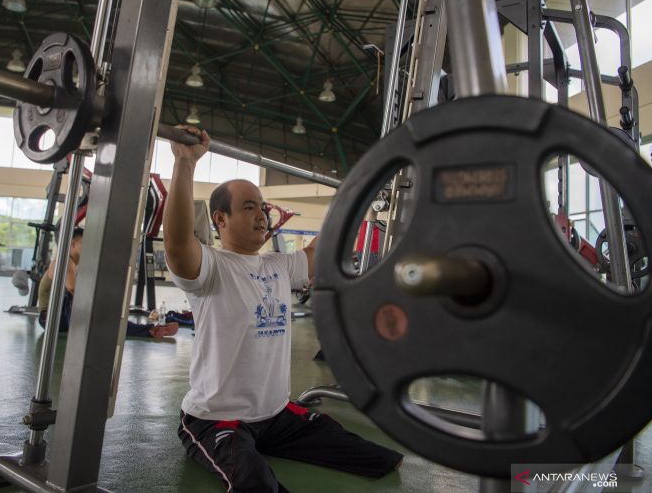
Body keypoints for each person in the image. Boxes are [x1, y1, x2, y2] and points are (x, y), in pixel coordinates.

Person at [165, 126, 403, 492]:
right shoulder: (211, 268)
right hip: (217, 419)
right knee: (256, 485)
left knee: (378, 459)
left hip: (275, 416)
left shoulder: (277, 266)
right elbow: (179, 242)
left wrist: (358, 194)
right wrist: (184, 163)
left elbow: (323, 249)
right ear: (221, 220)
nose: (261, 215)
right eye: (248, 207)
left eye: (262, 207)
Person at [37, 227, 179, 339]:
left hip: (62, 315)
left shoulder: (76, 265)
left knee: (104, 316)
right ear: (73, 244)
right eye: (84, 243)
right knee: (99, 314)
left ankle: (150, 330)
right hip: (51, 318)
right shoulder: (64, 262)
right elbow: (75, 292)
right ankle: (149, 330)